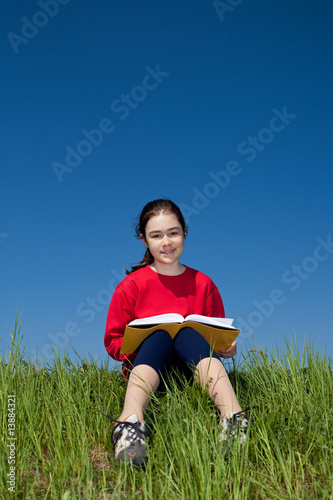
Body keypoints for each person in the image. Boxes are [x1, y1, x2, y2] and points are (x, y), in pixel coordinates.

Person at [104, 199, 249, 466]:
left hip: (192, 371)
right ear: (144, 240)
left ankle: (233, 418)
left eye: (173, 233)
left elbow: (217, 334)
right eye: (156, 236)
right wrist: (137, 338)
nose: (166, 242)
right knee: (159, 335)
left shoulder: (204, 284)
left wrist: (227, 348)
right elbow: (113, 342)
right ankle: (129, 421)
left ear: (184, 233)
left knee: (187, 332)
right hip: (149, 369)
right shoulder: (130, 286)